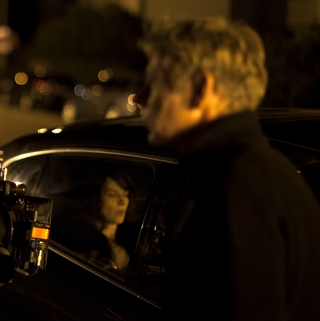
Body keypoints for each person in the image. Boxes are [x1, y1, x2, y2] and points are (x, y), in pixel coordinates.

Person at [133, 17, 320, 320]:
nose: (140, 97)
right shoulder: (264, 175)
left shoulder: (238, 192)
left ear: (200, 88)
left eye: (155, 81)